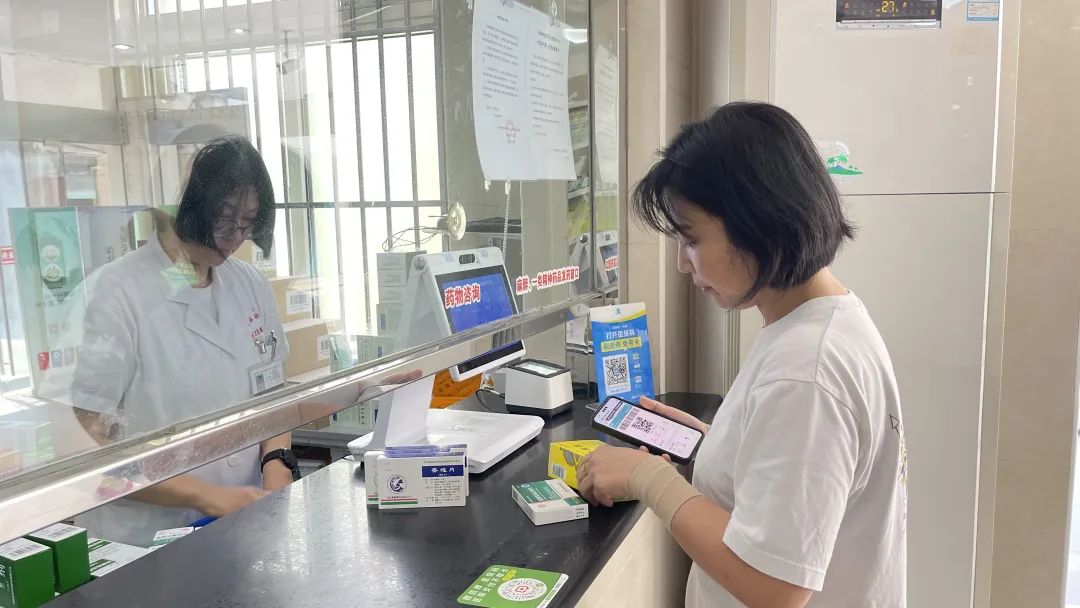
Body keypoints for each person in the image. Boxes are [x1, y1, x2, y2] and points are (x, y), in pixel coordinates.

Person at [578, 103, 907, 607]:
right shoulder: (819, 324)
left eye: (691, 240)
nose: (682, 264)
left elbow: (775, 587)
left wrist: (648, 478)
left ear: (758, 224)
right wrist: (718, 445)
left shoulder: (807, 370)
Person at [72, 136, 297, 546]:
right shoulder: (117, 294)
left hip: (242, 522)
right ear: (193, 205)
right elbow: (87, 445)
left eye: (248, 223)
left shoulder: (249, 284)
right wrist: (204, 495)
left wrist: (276, 463)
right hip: (146, 539)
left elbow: (272, 395)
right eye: (225, 219)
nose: (234, 237)